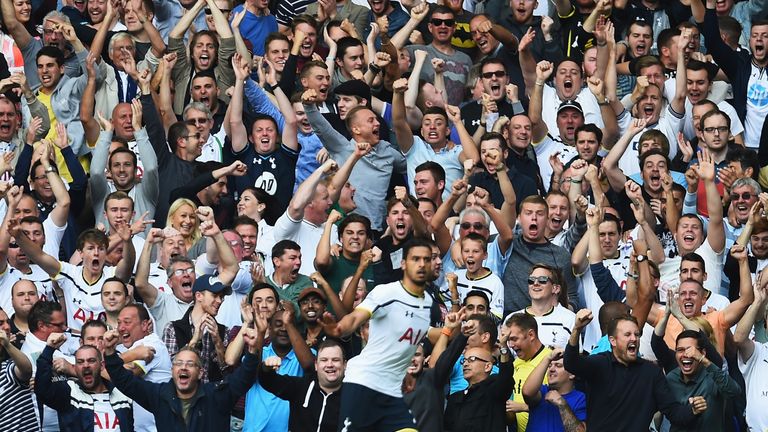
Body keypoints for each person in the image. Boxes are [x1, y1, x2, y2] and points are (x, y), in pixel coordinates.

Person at [320, 238, 435, 431]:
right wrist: (340, 328)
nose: (422, 264)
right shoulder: (387, 293)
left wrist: (453, 329)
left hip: (391, 391)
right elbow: (356, 317)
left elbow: (408, 341)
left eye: (427, 259)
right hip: (363, 383)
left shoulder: (428, 303)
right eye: (416, 259)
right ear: (403, 264)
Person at [564, 310, 705, 431]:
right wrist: (577, 329)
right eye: (628, 335)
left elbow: (673, 413)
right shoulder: (600, 363)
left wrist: (692, 410)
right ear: (613, 341)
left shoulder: (651, 373)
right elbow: (571, 364)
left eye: (637, 335)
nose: (634, 339)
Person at [103, 323, 262, 430]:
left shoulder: (216, 395)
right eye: (178, 363)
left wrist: (253, 350)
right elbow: (125, 381)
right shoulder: (159, 395)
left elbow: (244, 377)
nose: (183, 367)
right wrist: (110, 352)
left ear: (201, 373)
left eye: (190, 364)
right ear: (172, 370)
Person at [35, 332, 134, 431]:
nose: (86, 365)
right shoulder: (70, 393)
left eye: (91, 360)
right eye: (80, 362)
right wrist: (49, 349)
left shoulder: (122, 394)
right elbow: (42, 389)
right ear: (75, 368)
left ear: (102, 365)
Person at [259, 338, 345, 432]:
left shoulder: (352, 396)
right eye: (324, 360)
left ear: (345, 365)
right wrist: (266, 368)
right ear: (316, 365)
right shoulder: (301, 386)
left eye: (335, 360)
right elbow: (268, 381)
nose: (329, 364)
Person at [522, 348, 587, 432]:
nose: (551, 369)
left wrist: (562, 404)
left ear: (572, 374)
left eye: (558, 365)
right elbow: (527, 392)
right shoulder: (542, 392)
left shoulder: (581, 398)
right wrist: (547, 358)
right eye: (549, 366)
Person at [0, 315, 37, 431]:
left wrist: (7, 345)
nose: (6, 327)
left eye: (8, 322)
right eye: (0, 323)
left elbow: (26, 370)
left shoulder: (7, 368)